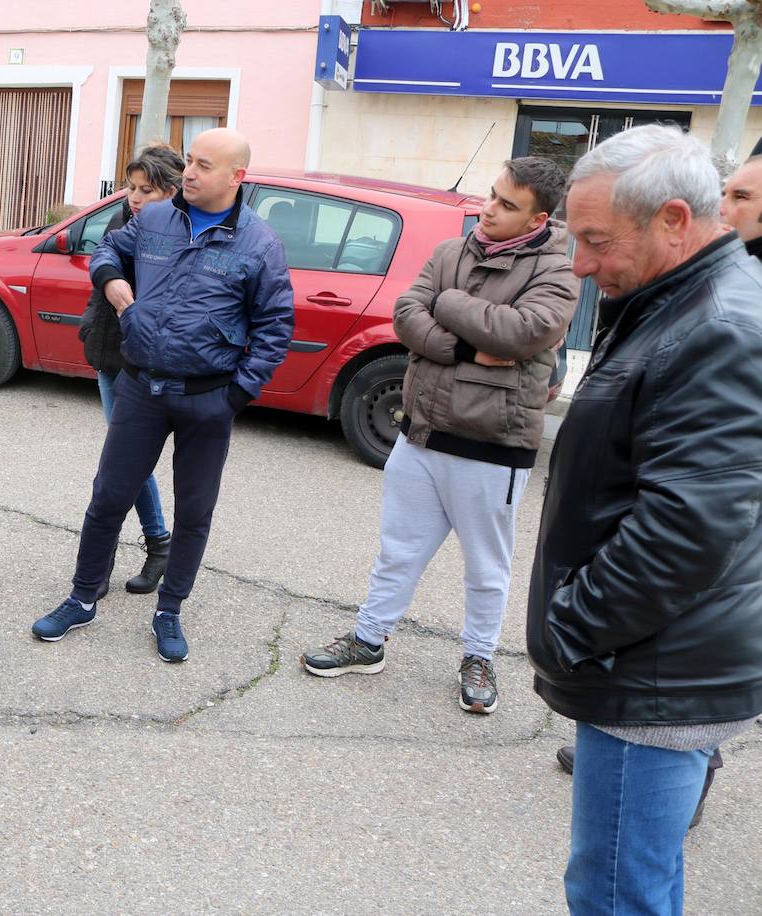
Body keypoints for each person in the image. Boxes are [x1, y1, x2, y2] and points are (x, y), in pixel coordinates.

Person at [527, 124, 762, 913]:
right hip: (659, 657)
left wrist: (570, 628)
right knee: (639, 877)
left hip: (654, 672)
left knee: (615, 891)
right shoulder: (679, 300)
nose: (580, 264)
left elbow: (687, 529)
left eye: (596, 241)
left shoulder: (716, 327)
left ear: (674, 220)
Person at [300, 157, 578, 715]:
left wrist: (446, 304)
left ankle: (479, 657)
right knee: (398, 550)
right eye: (491, 194)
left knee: (486, 566)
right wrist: (466, 347)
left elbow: (522, 332)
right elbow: (407, 313)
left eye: (506, 204)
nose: (488, 209)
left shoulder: (556, 272)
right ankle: (368, 639)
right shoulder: (451, 251)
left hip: (493, 445)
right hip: (421, 433)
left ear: (537, 219)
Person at [31, 128, 294, 662]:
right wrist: (110, 280)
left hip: (208, 399)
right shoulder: (153, 218)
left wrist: (235, 396)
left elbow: (275, 326)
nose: (189, 172)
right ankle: (82, 598)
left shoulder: (260, 244)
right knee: (108, 497)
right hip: (140, 387)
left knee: (194, 513)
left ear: (236, 177)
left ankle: (169, 610)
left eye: (203, 165)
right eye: (189, 160)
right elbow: (108, 248)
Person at [76, 144, 184, 596]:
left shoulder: (174, 231)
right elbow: (101, 270)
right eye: (131, 187)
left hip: (141, 360)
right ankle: (157, 544)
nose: (135, 197)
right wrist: (91, 323)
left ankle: (140, 550)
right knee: (123, 460)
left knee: (121, 462)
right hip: (108, 350)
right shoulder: (124, 219)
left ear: (172, 192)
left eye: (147, 190)